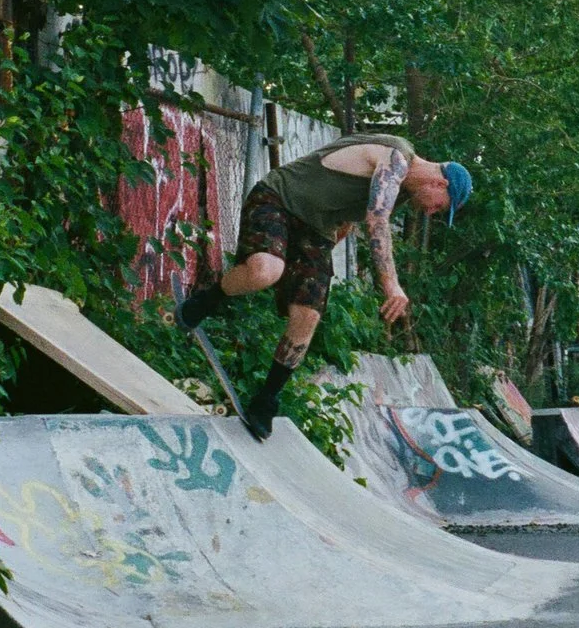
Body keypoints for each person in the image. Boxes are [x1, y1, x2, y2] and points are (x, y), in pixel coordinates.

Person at [177, 131, 472, 440]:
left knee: (309, 314)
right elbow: (376, 221)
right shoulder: (396, 157)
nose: (431, 212)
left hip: (317, 230)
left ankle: (266, 400)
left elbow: (349, 216)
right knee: (265, 272)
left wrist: (316, 265)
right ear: (440, 184)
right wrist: (391, 285)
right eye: (440, 207)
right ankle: (207, 301)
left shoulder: (401, 194)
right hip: (279, 198)